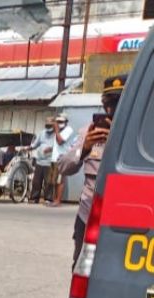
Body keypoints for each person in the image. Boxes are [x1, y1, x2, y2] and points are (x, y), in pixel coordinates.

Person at [59, 74, 126, 266]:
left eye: (117, 102)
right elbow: (63, 166)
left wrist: (117, 139)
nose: (111, 109)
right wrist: (84, 149)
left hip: (122, 222)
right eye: (107, 103)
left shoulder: (137, 136)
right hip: (88, 218)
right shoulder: (87, 132)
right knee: (81, 272)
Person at [28, 118, 59, 203]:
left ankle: (48, 198)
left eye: (50, 125)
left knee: (48, 182)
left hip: (49, 162)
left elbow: (60, 146)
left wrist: (51, 149)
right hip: (39, 161)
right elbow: (35, 144)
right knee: (36, 181)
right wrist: (29, 148)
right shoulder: (42, 133)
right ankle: (34, 198)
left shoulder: (57, 134)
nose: (48, 127)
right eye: (47, 125)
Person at [47, 114, 74, 206]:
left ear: (66, 122)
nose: (58, 124)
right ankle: (54, 199)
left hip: (62, 158)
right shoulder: (58, 131)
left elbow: (60, 141)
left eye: (61, 122)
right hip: (54, 158)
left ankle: (58, 201)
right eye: (57, 122)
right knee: (54, 181)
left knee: (60, 180)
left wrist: (57, 131)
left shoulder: (68, 130)